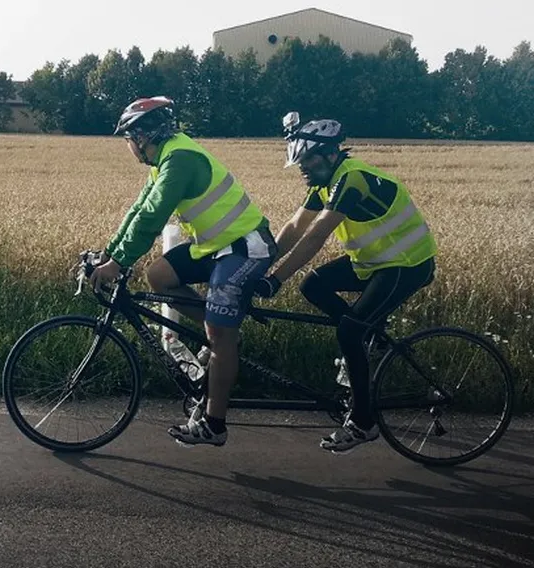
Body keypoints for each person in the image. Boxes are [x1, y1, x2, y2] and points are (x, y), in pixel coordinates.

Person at [90, 96, 277, 447]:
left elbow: (152, 218)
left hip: (245, 247)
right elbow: (138, 210)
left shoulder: (180, 159)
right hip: (216, 246)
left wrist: (118, 265)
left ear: (141, 136)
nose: (128, 146)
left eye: (128, 139)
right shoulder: (163, 161)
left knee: (220, 337)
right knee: (159, 276)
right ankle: (222, 331)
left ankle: (214, 424)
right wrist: (110, 253)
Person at [254, 112, 438, 454]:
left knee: (349, 331)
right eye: (300, 162)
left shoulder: (351, 179)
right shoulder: (324, 181)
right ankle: (369, 337)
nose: (302, 168)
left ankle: (363, 423)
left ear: (330, 154)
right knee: (312, 286)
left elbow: (315, 237)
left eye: (307, 159)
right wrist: (261, 266)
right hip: (374, 262)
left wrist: (276, 280)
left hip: (406, 263)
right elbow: (296, 227)